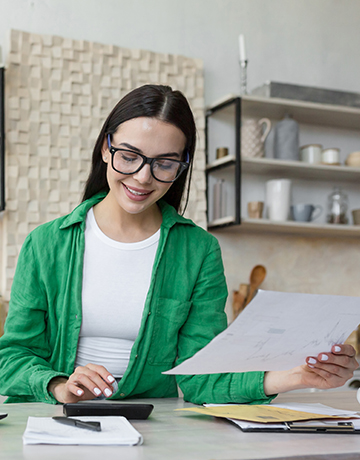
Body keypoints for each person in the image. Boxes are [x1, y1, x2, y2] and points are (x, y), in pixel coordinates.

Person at [0, 84, 357, 405]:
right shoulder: (46, 244)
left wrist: (297, 376)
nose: (143, 177)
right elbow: (12, 357)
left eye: (165, 163)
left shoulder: (198, 251)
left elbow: (202, 375)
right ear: (106, 149)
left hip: (154, 427)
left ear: (182, 167)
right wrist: (60, 385)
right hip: (55, 421)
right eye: (128, 155)